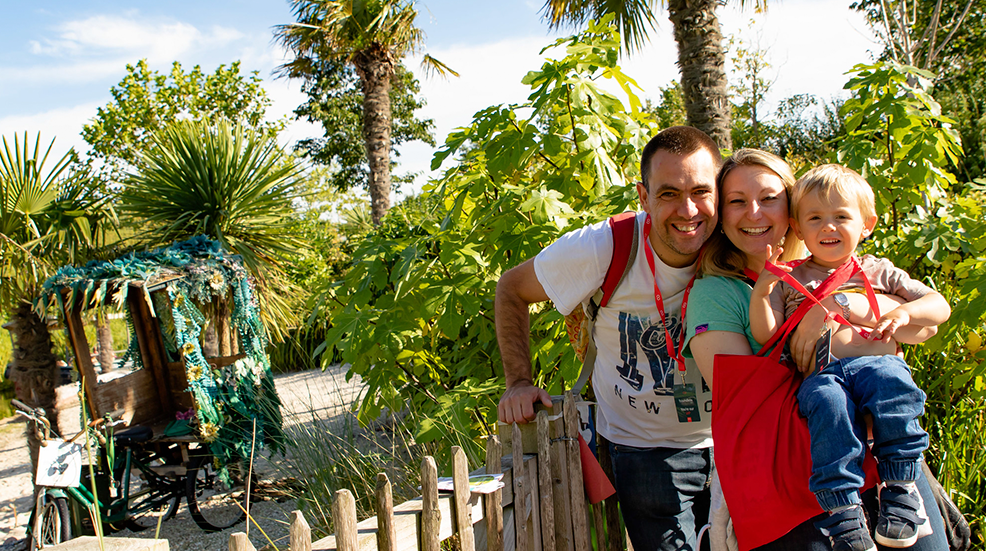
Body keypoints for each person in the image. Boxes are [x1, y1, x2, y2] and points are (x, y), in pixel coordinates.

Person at [683, 149, 949, 551]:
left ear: (790, 206)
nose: (754, 213)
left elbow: (924, 325)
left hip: (884, 465)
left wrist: (837, 308)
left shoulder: (850, 266)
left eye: (769, 198)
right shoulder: (721, 291)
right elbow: (747, 399)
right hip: (800, 477)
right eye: (737, 201)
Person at [496, 126, 720, 551]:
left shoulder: (739, 237)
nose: (688, 209)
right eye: (669, 193)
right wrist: (519, 382)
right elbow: (512, 288)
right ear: (643, 196)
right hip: (645, 452)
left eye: (700, 191)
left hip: (735, 443)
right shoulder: (605, 246)